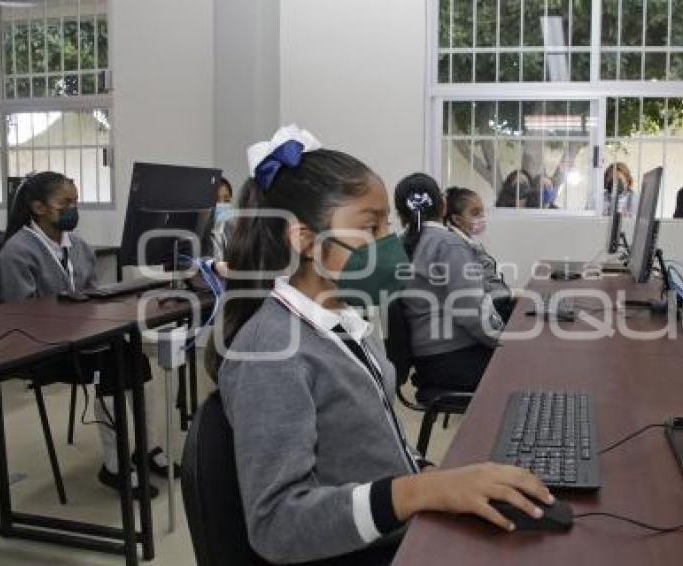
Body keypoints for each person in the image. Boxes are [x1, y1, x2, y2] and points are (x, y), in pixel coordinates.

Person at [208, 127, 554, 565]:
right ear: (306, 241)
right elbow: (276, 525)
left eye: (387, 224)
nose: (389, 243)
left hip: (394, 532)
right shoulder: (271, 353)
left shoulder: (345, 324)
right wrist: (420, 491)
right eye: (370, 227)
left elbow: (377, 451)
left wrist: (438, 482)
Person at [0, 172, 174, 497]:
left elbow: (92, 296)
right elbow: (22, 318)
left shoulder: (78, 246)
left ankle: (146, 448)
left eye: (75, 202)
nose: (73, 209)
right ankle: (114, 465)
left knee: (133, 356)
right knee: (112, 364)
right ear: (37, 207)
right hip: (46, 350)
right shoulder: (17, 252)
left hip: (85, 341)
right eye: (64, 203)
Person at [395, 173, 504, 393]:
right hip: (454, 358)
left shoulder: (399, 245)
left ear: (401, 213)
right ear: (443, 205)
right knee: (531, 367)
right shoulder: (449, 244)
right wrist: (504, 342)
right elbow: (471, 311)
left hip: (428, 359)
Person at [444, 185, 514, 322]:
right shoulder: (458, 248)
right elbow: (482, 289)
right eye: (475, 213)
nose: (482, 217)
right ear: (457, 219)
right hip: (492, 310)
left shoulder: (471, 241)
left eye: (482, 212)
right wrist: (513, 294)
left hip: (498, 303)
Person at [209, 176, 235, 261]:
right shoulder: (197, 234)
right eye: (216, 200)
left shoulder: (232, 229)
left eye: (227, 200)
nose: (222, 204)